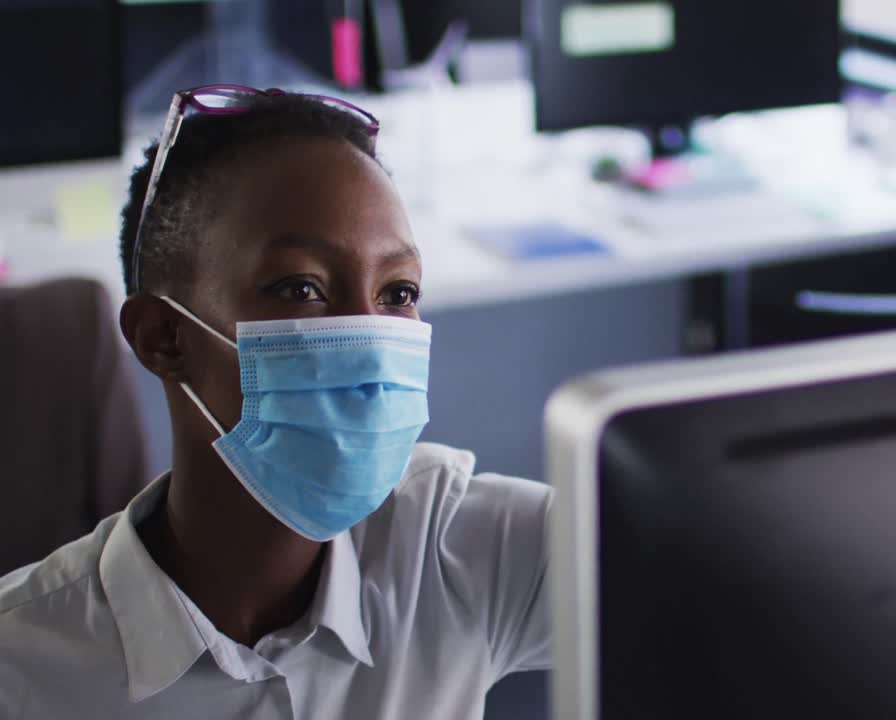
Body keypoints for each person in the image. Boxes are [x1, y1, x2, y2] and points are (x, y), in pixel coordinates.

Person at [0, 87, 552, 719]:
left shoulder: (453, 550)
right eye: (302, 288)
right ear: (163, 338)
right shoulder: (21, 672)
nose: (369, 341)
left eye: (398, 292)